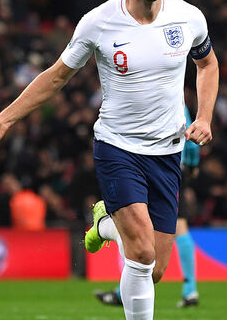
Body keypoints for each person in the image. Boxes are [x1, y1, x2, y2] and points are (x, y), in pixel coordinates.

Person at [0, 0, 219, 320]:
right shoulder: (98, 22)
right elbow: (56, 76)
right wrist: (5, 119)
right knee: (140, 253)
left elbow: (207, 64)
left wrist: (204, 116)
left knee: (155, 269)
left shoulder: (189, 18)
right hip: (118, 147)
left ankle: (105, 224)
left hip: (167, 151)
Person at [93, 104, 201, 308]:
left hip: (165, 166)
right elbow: (192, 137)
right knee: (165, 228)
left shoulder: (160, 97)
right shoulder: (175, 100)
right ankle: (190, 289)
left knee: (156, 238)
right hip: (167, 165)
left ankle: (124, 290)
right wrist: (193, 163)